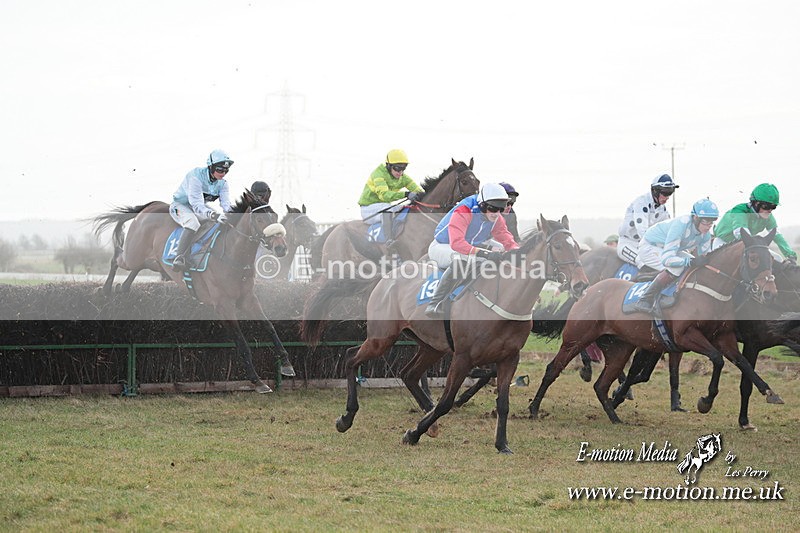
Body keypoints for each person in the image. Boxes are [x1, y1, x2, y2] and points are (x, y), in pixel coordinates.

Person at [425, 183, 519, 317]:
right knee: (461, 260)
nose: (497, 214)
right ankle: (435, 303)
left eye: (501, 209)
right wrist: (485, 253)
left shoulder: (494, 214)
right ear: (483, 205)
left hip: (470, 245)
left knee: (502, 250)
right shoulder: (465, 209)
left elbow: (505, 236)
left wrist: (516, 251)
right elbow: (457, 244)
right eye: (493, 209)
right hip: (443, 246)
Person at [630, 198, 719, 314]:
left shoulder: (706, 235)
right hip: (649, 247)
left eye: (711, 222)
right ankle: (644, 300)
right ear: (696, 218)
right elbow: (667, 259)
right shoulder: (681, 225)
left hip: (668, 249)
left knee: (693, 264)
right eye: (705, 222)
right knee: (678, 266)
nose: (708, 227)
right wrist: (689, 262)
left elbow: (705, 260)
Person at [169, 149, 234, 270]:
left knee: (218, 221)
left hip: (198, 207)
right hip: (179, 207)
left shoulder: (223, 184)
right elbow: (197, 205)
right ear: (210, 166)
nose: (223, 173)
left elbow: (226, 205)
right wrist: (214, 215)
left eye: (226, 170)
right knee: (192, 223)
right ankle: (179, 258)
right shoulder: (196, 177)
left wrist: (234, 215)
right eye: (220, 170)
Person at [713, 183, 797, 264]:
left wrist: (790, 255)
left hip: (747, 243)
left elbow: (777, 235)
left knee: (777, 259)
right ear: (756, 203)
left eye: (773, 207)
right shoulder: (740, 211)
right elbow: (740, 233)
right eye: (766, 206)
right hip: (722, 243)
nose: (770, 210)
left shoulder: (768, 216)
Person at [357, 149, 424, 244]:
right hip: (369, 209)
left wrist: (420, 196)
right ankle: (388, 241)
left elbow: (418, 191)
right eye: (397, 168)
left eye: (403, 168)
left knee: (404, 208)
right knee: (388, 210)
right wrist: (406, 194)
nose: (400, 172)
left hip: (383, 206)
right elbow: (385, 196)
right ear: (389, 165)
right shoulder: (378, 175)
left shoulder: (402, 177)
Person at [617, 174, 679, 266]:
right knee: (645, 264)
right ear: (655, 191)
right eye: (665, 193)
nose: (667, 197)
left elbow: (669, 230)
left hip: (646, 247)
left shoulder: (662, 209)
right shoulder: (641, 203)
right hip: (628, 244)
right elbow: (643, 232)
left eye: (670, 192)